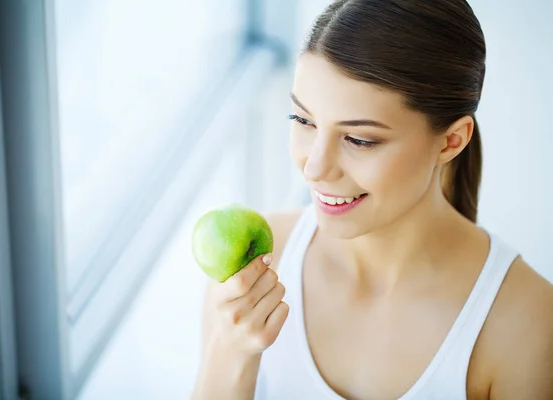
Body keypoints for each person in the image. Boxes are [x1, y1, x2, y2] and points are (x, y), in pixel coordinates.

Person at [191, 0, 553, 399]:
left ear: (451, 141)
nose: (314, 168)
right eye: (304, 121)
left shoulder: (526, 322)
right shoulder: (257, 265)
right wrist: (230, 356)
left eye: (359, 139)